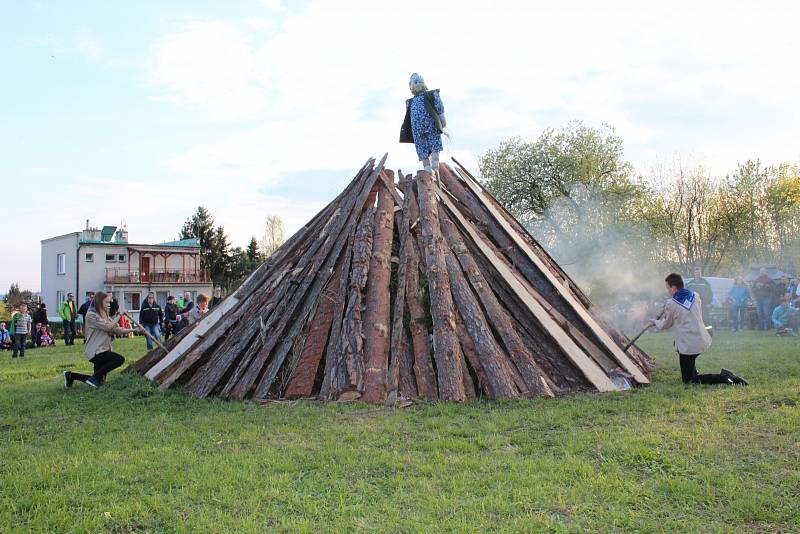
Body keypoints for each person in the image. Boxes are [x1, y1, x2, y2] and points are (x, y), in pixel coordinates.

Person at [648, 273, 746, 385]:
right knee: (686, 358)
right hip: (700, 337)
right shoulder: (695, 295)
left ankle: (723, 377)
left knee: (689, 380)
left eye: (667, 288)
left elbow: (665, 324)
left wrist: (655, 322)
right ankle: (693, 371)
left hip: (688, 343)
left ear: (674, 288)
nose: (667, 291)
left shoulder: (671, 304)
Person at [63, 291, 142, 389]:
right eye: (106, 302)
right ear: (99, 302)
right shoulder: (91, 315)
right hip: (95, 351)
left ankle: (71, 376)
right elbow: (108, 327)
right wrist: (119, 315)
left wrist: (134, 329)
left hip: (103, 349)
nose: (108, 305)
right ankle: (94, 378)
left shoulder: (105, 316)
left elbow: (117, 329)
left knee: (99, 382)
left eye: (109, 302)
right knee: (119, 359)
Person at [400, 73, 447, 175]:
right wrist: (443, 122)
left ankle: (428, 168)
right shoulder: (431, 95)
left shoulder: (411, 102)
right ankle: (434, 166)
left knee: (421, 146)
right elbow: (439, 109)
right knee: (433, 141)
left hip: (417, 129)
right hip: (430, 125)